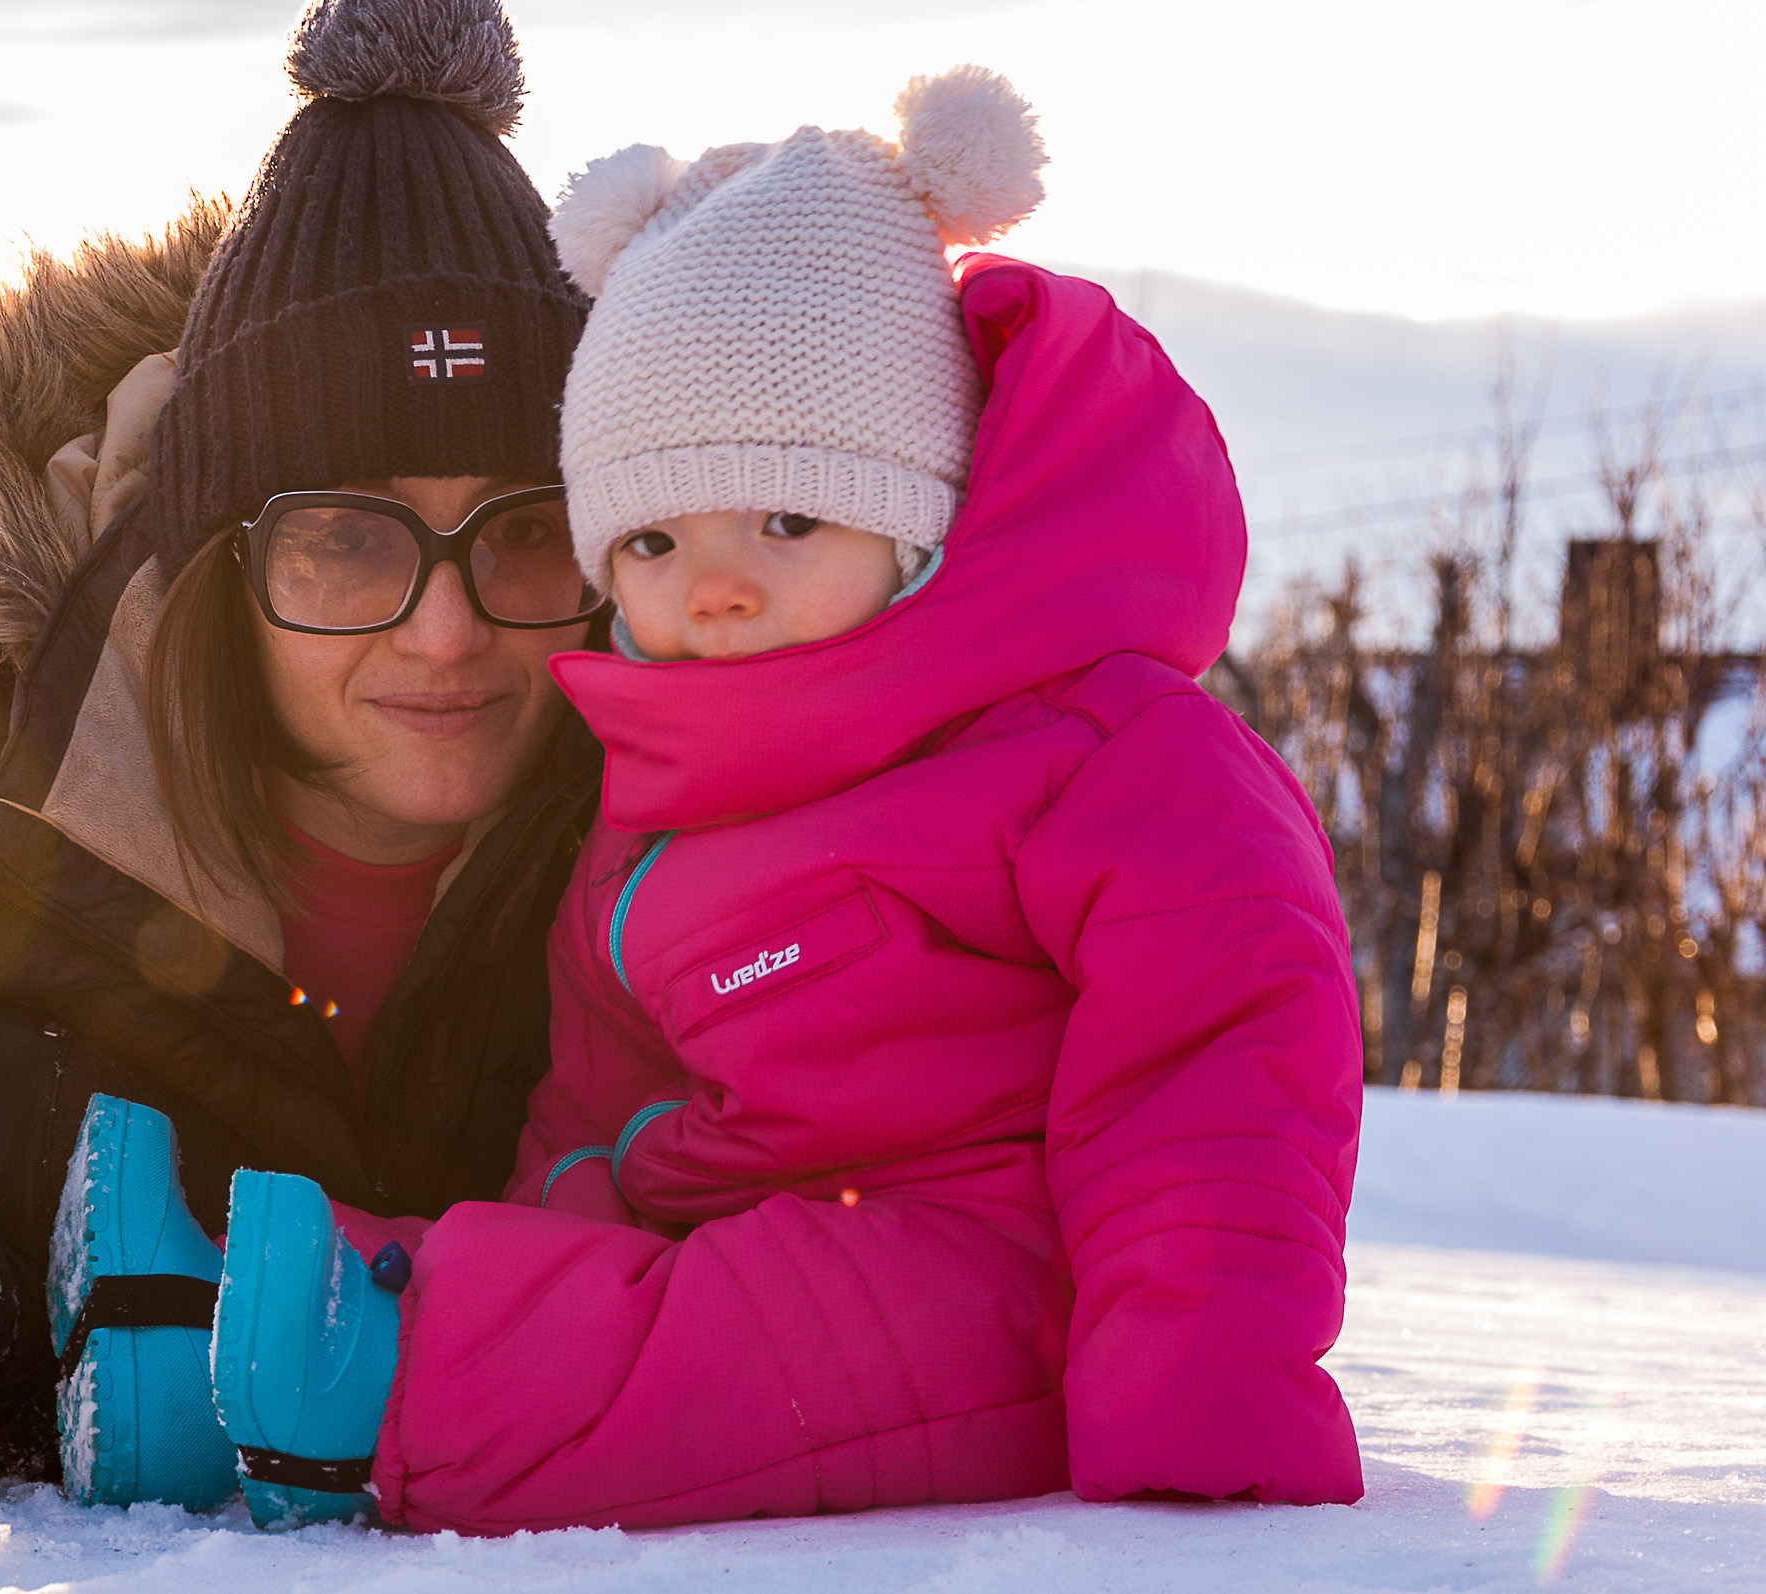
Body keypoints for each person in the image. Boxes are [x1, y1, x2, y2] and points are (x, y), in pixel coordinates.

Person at [66, 62, 1367, 1533]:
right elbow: (594, 1101)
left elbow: (1220, 1045)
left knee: (753, 1348)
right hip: (738, 1234)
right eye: (655, 540)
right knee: (640, 1313)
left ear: (919, 521)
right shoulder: (649, 800)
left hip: (1006, 1265)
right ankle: (205, 1315)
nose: (718, 585)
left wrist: (1204, 1377)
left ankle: (345, 1372)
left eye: (789, 517)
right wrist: (538, 1252)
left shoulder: (1090, 750)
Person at [0, 0, 598, 1488]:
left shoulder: (711, 803)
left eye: (525, 530)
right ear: (211, 558)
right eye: (346, 538)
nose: (445, 631)